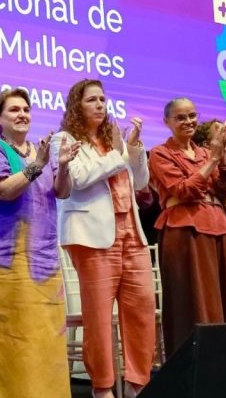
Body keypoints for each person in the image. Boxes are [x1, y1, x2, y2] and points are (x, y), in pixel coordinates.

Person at [0, 88, 78, 398]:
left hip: (44, 263)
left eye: (26, 109)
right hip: (5, 262)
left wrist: (63, 165)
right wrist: (37, 165)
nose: (22, 114)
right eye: (14, 110)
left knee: (45, 343)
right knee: (11, 341)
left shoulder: (41, 151)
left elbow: (61, 192)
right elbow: (4, 191)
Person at [53, 79, 152, 398]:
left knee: (142, 308)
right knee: (97, 316)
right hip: (92, 237)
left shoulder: (114, 139)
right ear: (77, 105)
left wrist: (133, 148)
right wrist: (120, 154)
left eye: (102, 99)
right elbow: (79, 179)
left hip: (131, 233)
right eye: (91, 100)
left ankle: (138, 383)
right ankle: (103, 387)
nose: (100, 104)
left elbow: (140, 182)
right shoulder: (64, 139)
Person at [147, 98, 226, 356]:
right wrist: (213, 160)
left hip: (218, 226)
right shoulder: (160, 153)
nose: (188, 121)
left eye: (192, 116)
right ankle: (196, 360)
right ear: (167, 122)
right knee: (194, 300)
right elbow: (183, 190)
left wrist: (222, 156)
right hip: (185, 230)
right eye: (180, 117)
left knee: (225, 298)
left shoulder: (204, 153)